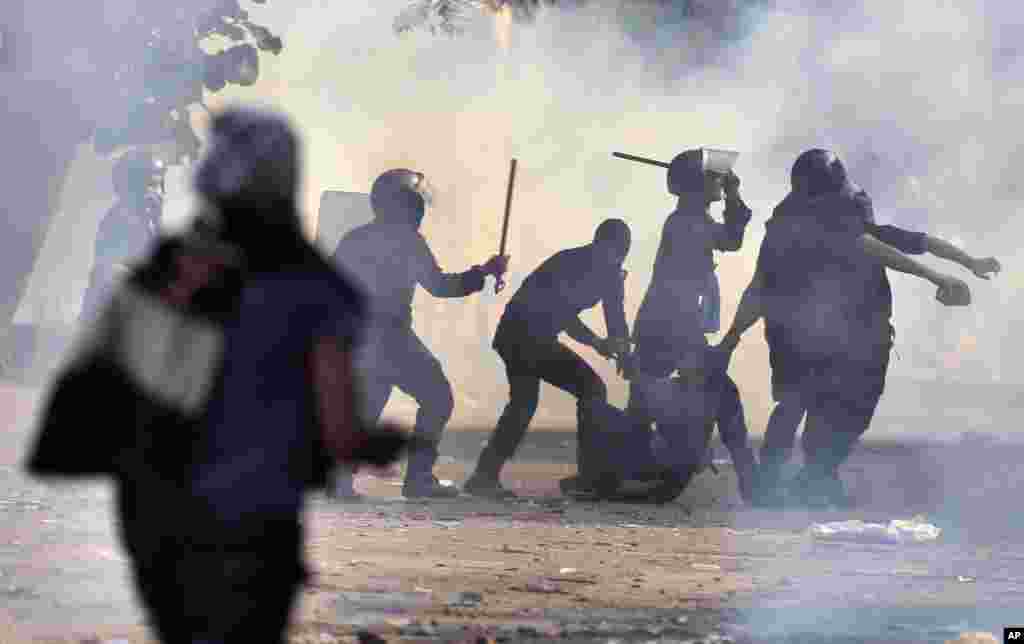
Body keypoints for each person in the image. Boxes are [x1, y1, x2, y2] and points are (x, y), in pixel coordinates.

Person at [27, 107, 408, 643]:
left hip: (155, 515)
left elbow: (105, 385)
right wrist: (383, 443)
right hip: (255, 518)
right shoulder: (313, 285)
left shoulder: (166, 268)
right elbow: (342, 434)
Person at [717, 148, 975, 508]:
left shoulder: (790, 221)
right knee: (823, 404)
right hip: (830, 335)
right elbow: (876, 247)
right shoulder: (825, 221)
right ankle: (804, 478)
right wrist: (937, 277)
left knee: (804, 404)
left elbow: (902, 240)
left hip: (809, 332)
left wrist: (733, 335)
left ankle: (799, 479)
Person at [330, 168, 508, 500]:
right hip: (391, 336)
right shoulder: (408, 241)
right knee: (438, 397)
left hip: (357, 336)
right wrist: (482, 273)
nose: (419, 211)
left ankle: (341, 481)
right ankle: (419, 478)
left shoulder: (353, 239)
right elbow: (440, 286)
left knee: (368, 407)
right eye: (415, 203)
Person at [460, 218, 632, 499]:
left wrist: (620, 350)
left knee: (523, 404)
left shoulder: (609, 274)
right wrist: (599, 343)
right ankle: (588, 476)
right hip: (522, 334)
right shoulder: (571, 263)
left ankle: (484, 476)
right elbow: (563, 315)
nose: (613, 256)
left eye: (618, 252)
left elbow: (616, 321)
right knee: (591, 388)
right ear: (598, 243)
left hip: (526, 336)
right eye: (610, 249)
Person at [626, 148, 759, 504]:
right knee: (722, 397)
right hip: (673, 325)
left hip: (664, 324)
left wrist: (731, 194)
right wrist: (734, 196)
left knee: (642, 406)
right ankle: (751, 484)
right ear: (699, 185)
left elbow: (728, 239)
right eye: (715, 177)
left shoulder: (687, 218)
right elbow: (731, 239)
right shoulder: (690, 221)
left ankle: (625, 472)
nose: (720, 181)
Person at [80, 150, 165, 323]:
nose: (159, 193)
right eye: (152, 185)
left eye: (161, 185)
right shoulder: (117, 224)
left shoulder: (147, 219)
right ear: (129, 188)